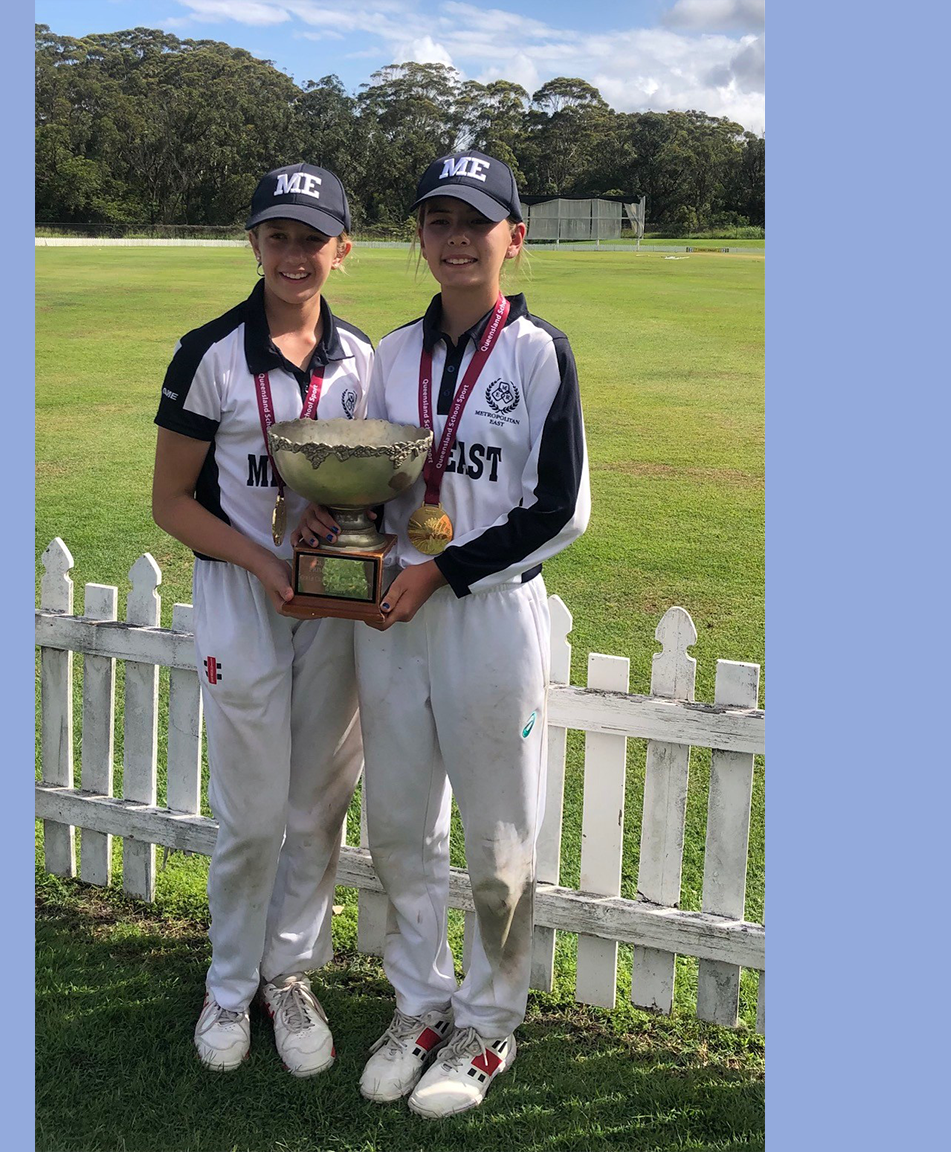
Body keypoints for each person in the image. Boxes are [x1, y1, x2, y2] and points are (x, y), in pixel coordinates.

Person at [298, 149, 590, 1117]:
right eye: (438, 221)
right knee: (398, 826)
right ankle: (418, 1005)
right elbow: (371, 482)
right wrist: (336, 519)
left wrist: (445, 569)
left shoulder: (538, 352)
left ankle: (488, 1023)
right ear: (419, 236)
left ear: (515, 236)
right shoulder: (390, 355)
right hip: (395, 611)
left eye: (475, 222)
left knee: (500, 835)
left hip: (485, 614)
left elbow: (562, 508)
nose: (455, 239)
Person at [151, 163, 372, 1078]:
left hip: (330, 602)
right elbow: (171, 501)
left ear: (341, 250)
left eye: (311, 238)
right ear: (253, 243)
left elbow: (374, 481)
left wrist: (338, 524)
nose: (293, 254)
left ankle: (288, 974)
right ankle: (228, 980)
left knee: (317, 805)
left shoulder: (362, 360)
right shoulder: (209, 354)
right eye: (277, 235)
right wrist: (263, 559)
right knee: (250, 815)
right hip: (244, 593)